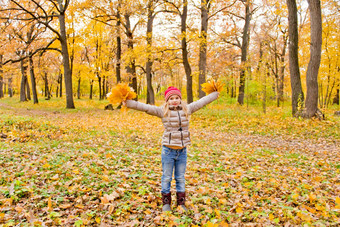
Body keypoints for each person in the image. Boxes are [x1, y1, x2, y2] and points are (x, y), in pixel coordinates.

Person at [123, 86, 219, 212]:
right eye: (171, 98)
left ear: (180, 99)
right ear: (167, 101)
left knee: (180, 177)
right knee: (167, 177)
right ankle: (166, 203)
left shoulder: (187, 109)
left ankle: (181, 203)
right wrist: (128, 103)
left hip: (182, 151)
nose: (174, 100)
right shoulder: (162, 111)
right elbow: (145, 107)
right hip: (168, 151)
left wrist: (214, 94)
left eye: (177, 98)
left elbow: (201, 102)